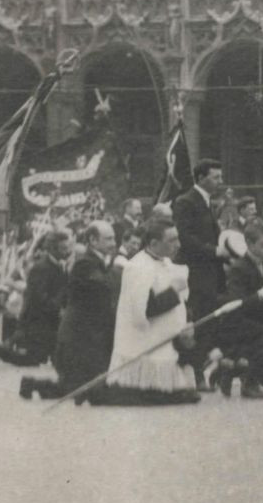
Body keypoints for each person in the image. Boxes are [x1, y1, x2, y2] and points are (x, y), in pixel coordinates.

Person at [87, 219, 200, 406]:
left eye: (177, 239)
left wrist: (187, 321)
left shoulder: (167, 263)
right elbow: (144, 310)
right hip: (143, 343)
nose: (178, 245)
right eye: (171, 240)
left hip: (167, 340)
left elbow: (181, 303)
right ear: (154, 244)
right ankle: (100, 393)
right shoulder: (137, 267)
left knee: (177, 395)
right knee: (153, 397)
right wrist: (173, 290)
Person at [28, 221, 121, 400]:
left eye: (114, 238)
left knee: (78, 388)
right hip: (77, 342)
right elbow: (104, 285)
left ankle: (33, 384)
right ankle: (32, 384)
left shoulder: (101, 262)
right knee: (76, 389)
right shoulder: (84, 263)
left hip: (88, 340)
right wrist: (123, 272)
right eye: (109, 239)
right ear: (93, 241)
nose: (113, 243)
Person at [209, 220, 263, 399]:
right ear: (249, 244)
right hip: (236, 321)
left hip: (255, 317)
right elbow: (238, 303)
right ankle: (249, 383)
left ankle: (233, 370)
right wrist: (262, 294)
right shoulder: (239, 268)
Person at [172, 159, 225, 388]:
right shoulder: (186, 202)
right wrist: (214, 250)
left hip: (209, 274)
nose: (220, 181)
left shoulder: (207, 202)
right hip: (194, 274)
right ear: (201, 178)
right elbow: (184, 238)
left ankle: (202, 369)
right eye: (215, 177)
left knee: (208, 324)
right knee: (197, 323)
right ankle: (195, 372)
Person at [0, 231, 70, 367]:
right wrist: (58, 309)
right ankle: (2, 351)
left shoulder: (60, 266)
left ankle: (10, 345)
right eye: (63, 248)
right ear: (52, 248)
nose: (67, 252)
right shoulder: (41, 268)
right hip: (37, 322)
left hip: (51, 320)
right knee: (34, 360)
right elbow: (38, 299)